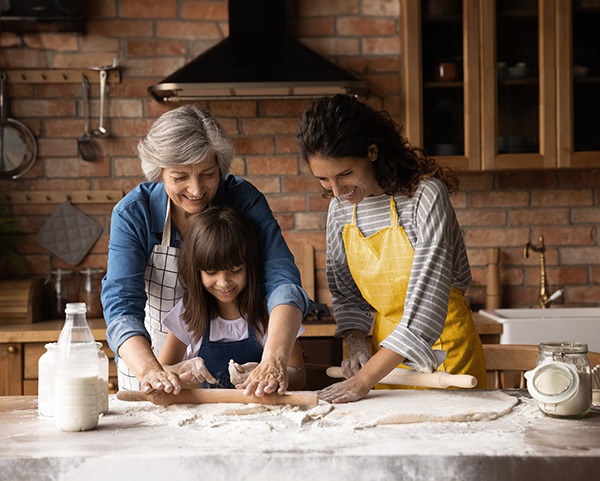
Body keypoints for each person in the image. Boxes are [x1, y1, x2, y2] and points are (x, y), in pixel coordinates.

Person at [101, 104, 312, 396]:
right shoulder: (134, 213)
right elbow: (122, 305)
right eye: (180, 177)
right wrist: (151, 371)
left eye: (208, 174)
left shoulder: (244, 201)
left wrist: (272, 361)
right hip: (149, 361)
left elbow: (282, 279)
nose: (197, 190)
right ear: (159, 173)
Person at [297, 94, 486, 403]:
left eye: (345, 174)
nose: (336, 191)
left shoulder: (426, 197)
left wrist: (364, 379)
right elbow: (347, 298)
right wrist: (358, 348)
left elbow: (426, 308)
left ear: (372, 151)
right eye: (323, 180)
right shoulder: (340, 210)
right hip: (386, 364)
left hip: (446, 354)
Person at [158, 206, 305, 390]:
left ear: (250, 265)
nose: (223, 282)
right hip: (206, 417)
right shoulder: (188, 312)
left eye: (235, 271)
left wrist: (264, 372)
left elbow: (298, 375)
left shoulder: (272, 312)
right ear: (196, 271)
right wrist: (181, 369)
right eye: (211, 272)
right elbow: (161, 370)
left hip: (262, 413)